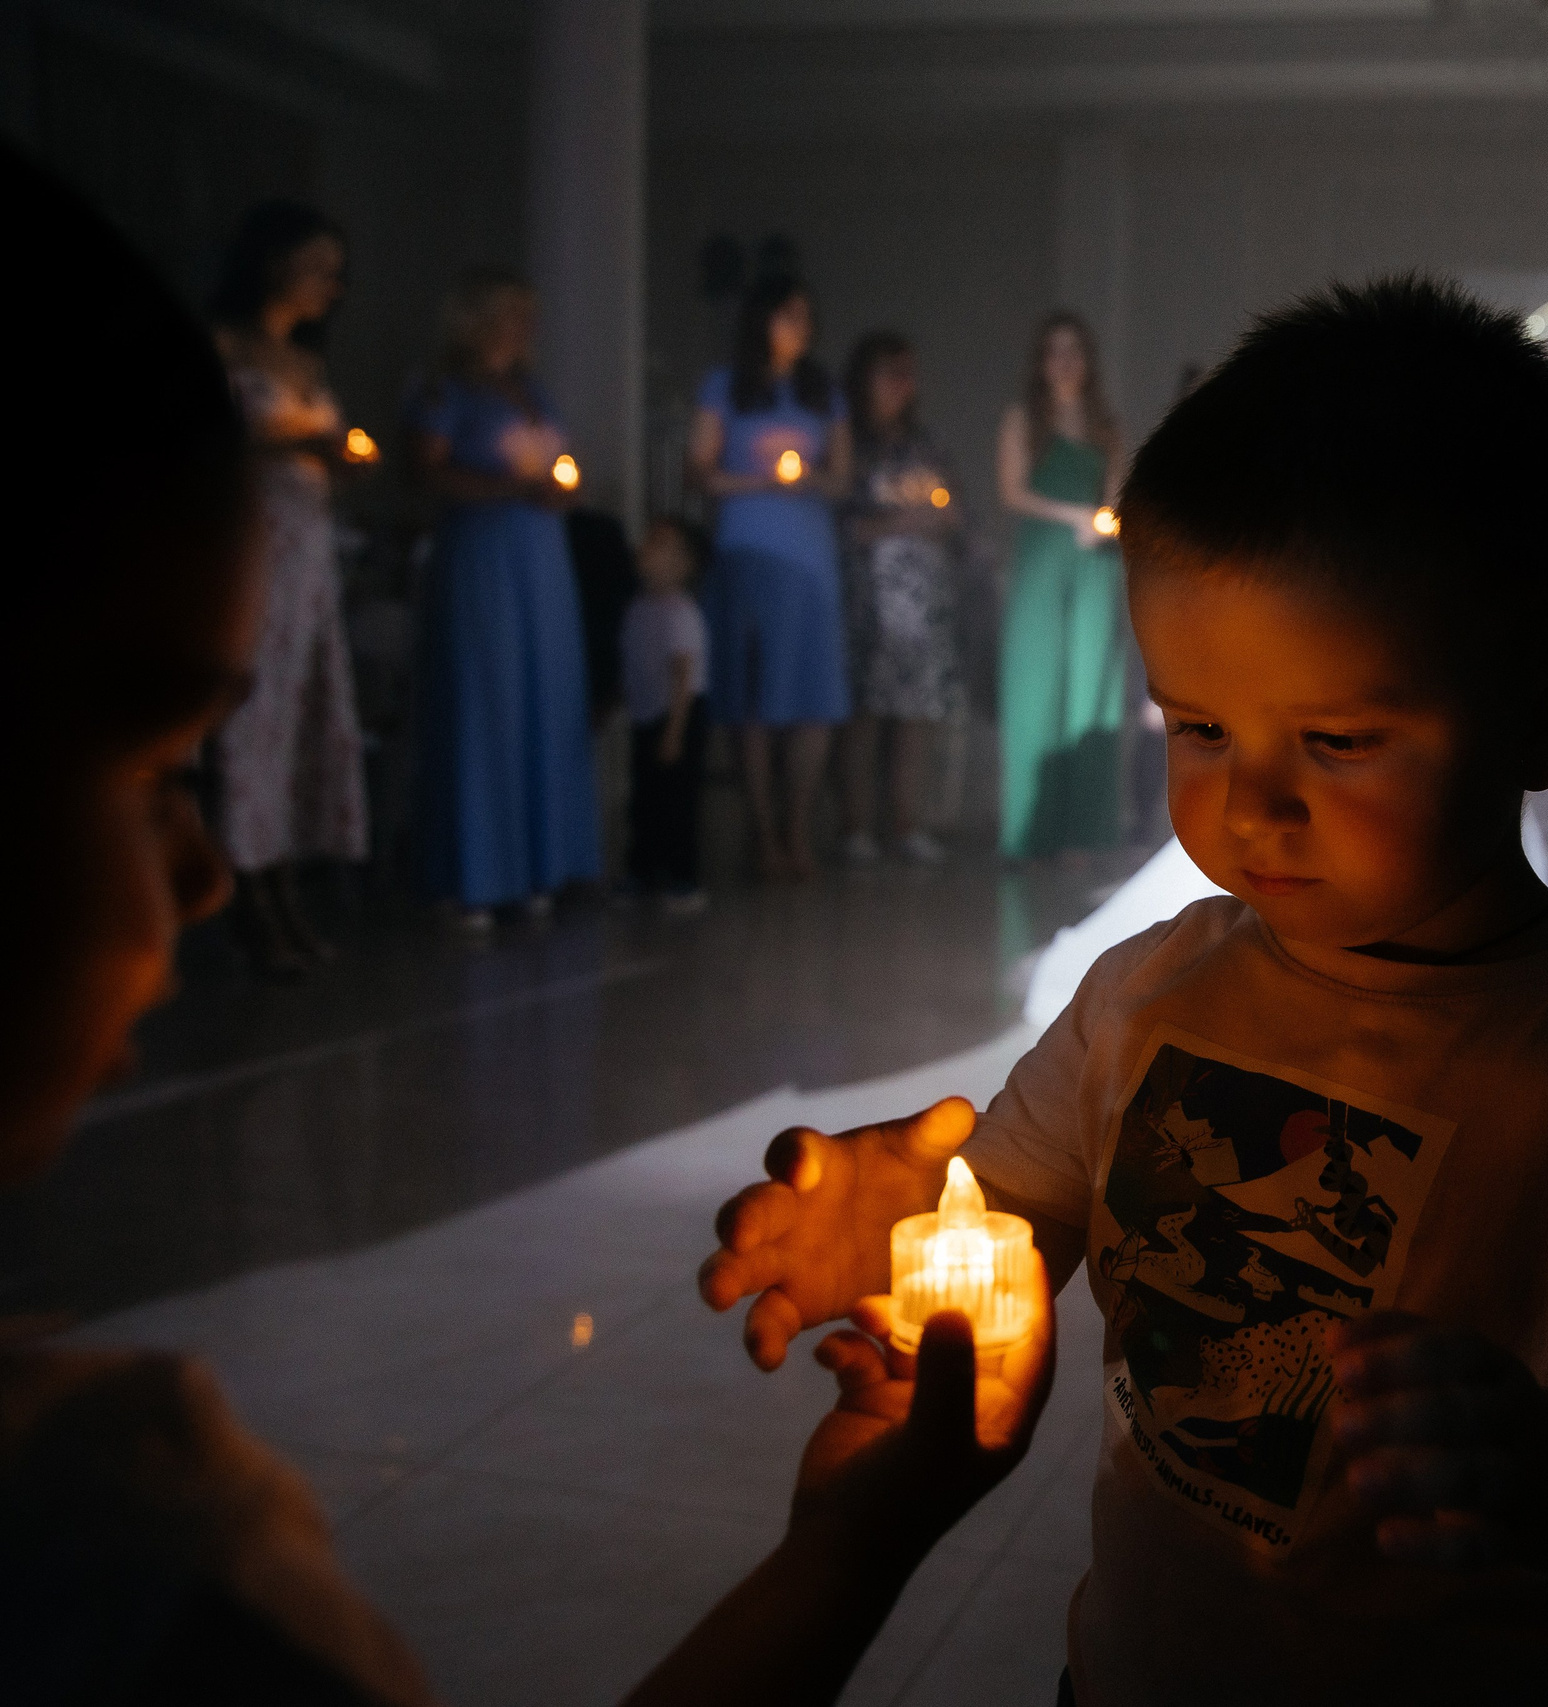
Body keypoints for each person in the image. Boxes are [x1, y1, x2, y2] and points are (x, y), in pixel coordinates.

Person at [699, 277, 1548, 1707]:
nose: (1252, 803)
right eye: (1197, 724)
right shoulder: (1146, 992)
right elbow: (1018, 1206)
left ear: (1544, 712)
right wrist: (925, 1222)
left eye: (1337, 737)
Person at [0, 142, 1053, 1707]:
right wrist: (848, 1559)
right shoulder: (121, 1550)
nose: (205, 864)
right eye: (157, 765)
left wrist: (840, 1544)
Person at [204, 200, 370, 979]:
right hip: (251, 547)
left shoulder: (308, 364)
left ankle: (289, 880)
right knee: (253, 721)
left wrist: (339, 455)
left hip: (309, 555)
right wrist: (297, 439)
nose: (332, 287)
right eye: (321, 269)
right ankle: (247, 887)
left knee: (303, 713)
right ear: (277, 265)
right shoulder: (225, 347)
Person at [408, 269, 602, 929]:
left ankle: (541, 865)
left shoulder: (534, 390)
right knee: (485, 697)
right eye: (512, 316)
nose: (525, 330)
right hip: (484, 553)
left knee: (544, 694)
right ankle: (473, 872)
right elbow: (428, 470)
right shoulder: (446, 389)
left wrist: (559, 489)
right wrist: (505, 490)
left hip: (541, 554)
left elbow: (564, 464)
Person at [691, 273, 854, 881]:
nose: (800, 327)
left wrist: (808, 480)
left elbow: (840, 478)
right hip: (748, 552)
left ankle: (796, 826)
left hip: (811, 557)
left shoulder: (823, 393)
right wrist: (763, 481)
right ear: (761, 319)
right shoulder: (724, 388)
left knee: (813, 696)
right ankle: (761, 832)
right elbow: (699, 471)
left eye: (807, 315)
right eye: (789, 313)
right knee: (754, 697)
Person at [997, 311, 1126, 863]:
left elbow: (1115, 498)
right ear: (1041, 361)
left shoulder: (1105, 426)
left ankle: (1085, 829)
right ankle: (1029, 827)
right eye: (1054, 350)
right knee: (1035, 684)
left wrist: (1103, 520)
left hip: (1094, 563)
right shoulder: (1024, 418)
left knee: (1090, 687)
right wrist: (1073, 513)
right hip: (1045, 558)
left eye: (1075, 350)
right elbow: (1012, 491)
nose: (1064, 361)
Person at [838, 331, 966, 867]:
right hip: (870, 598)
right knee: (866, 717)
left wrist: (924, 518)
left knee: (915, 719)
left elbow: (953, 514)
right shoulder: (852, 444)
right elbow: (848, 521)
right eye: (892, 372)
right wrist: (903, 520)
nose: (903, 385)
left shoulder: (927, 445)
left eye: (909, 373)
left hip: (925, 599)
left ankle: (905, 824)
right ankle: (854, 829)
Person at [625, 519, 711, 915]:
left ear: (684, 565)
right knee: (644, 800)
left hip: (677, 717)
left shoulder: (680, 614)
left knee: (677, 803)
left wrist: (675, 730)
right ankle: (642, 870)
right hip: (646, 716)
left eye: (661, 546)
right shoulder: (639, 608)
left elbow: (683, 674)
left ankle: (682, 876)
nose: (648, 551)